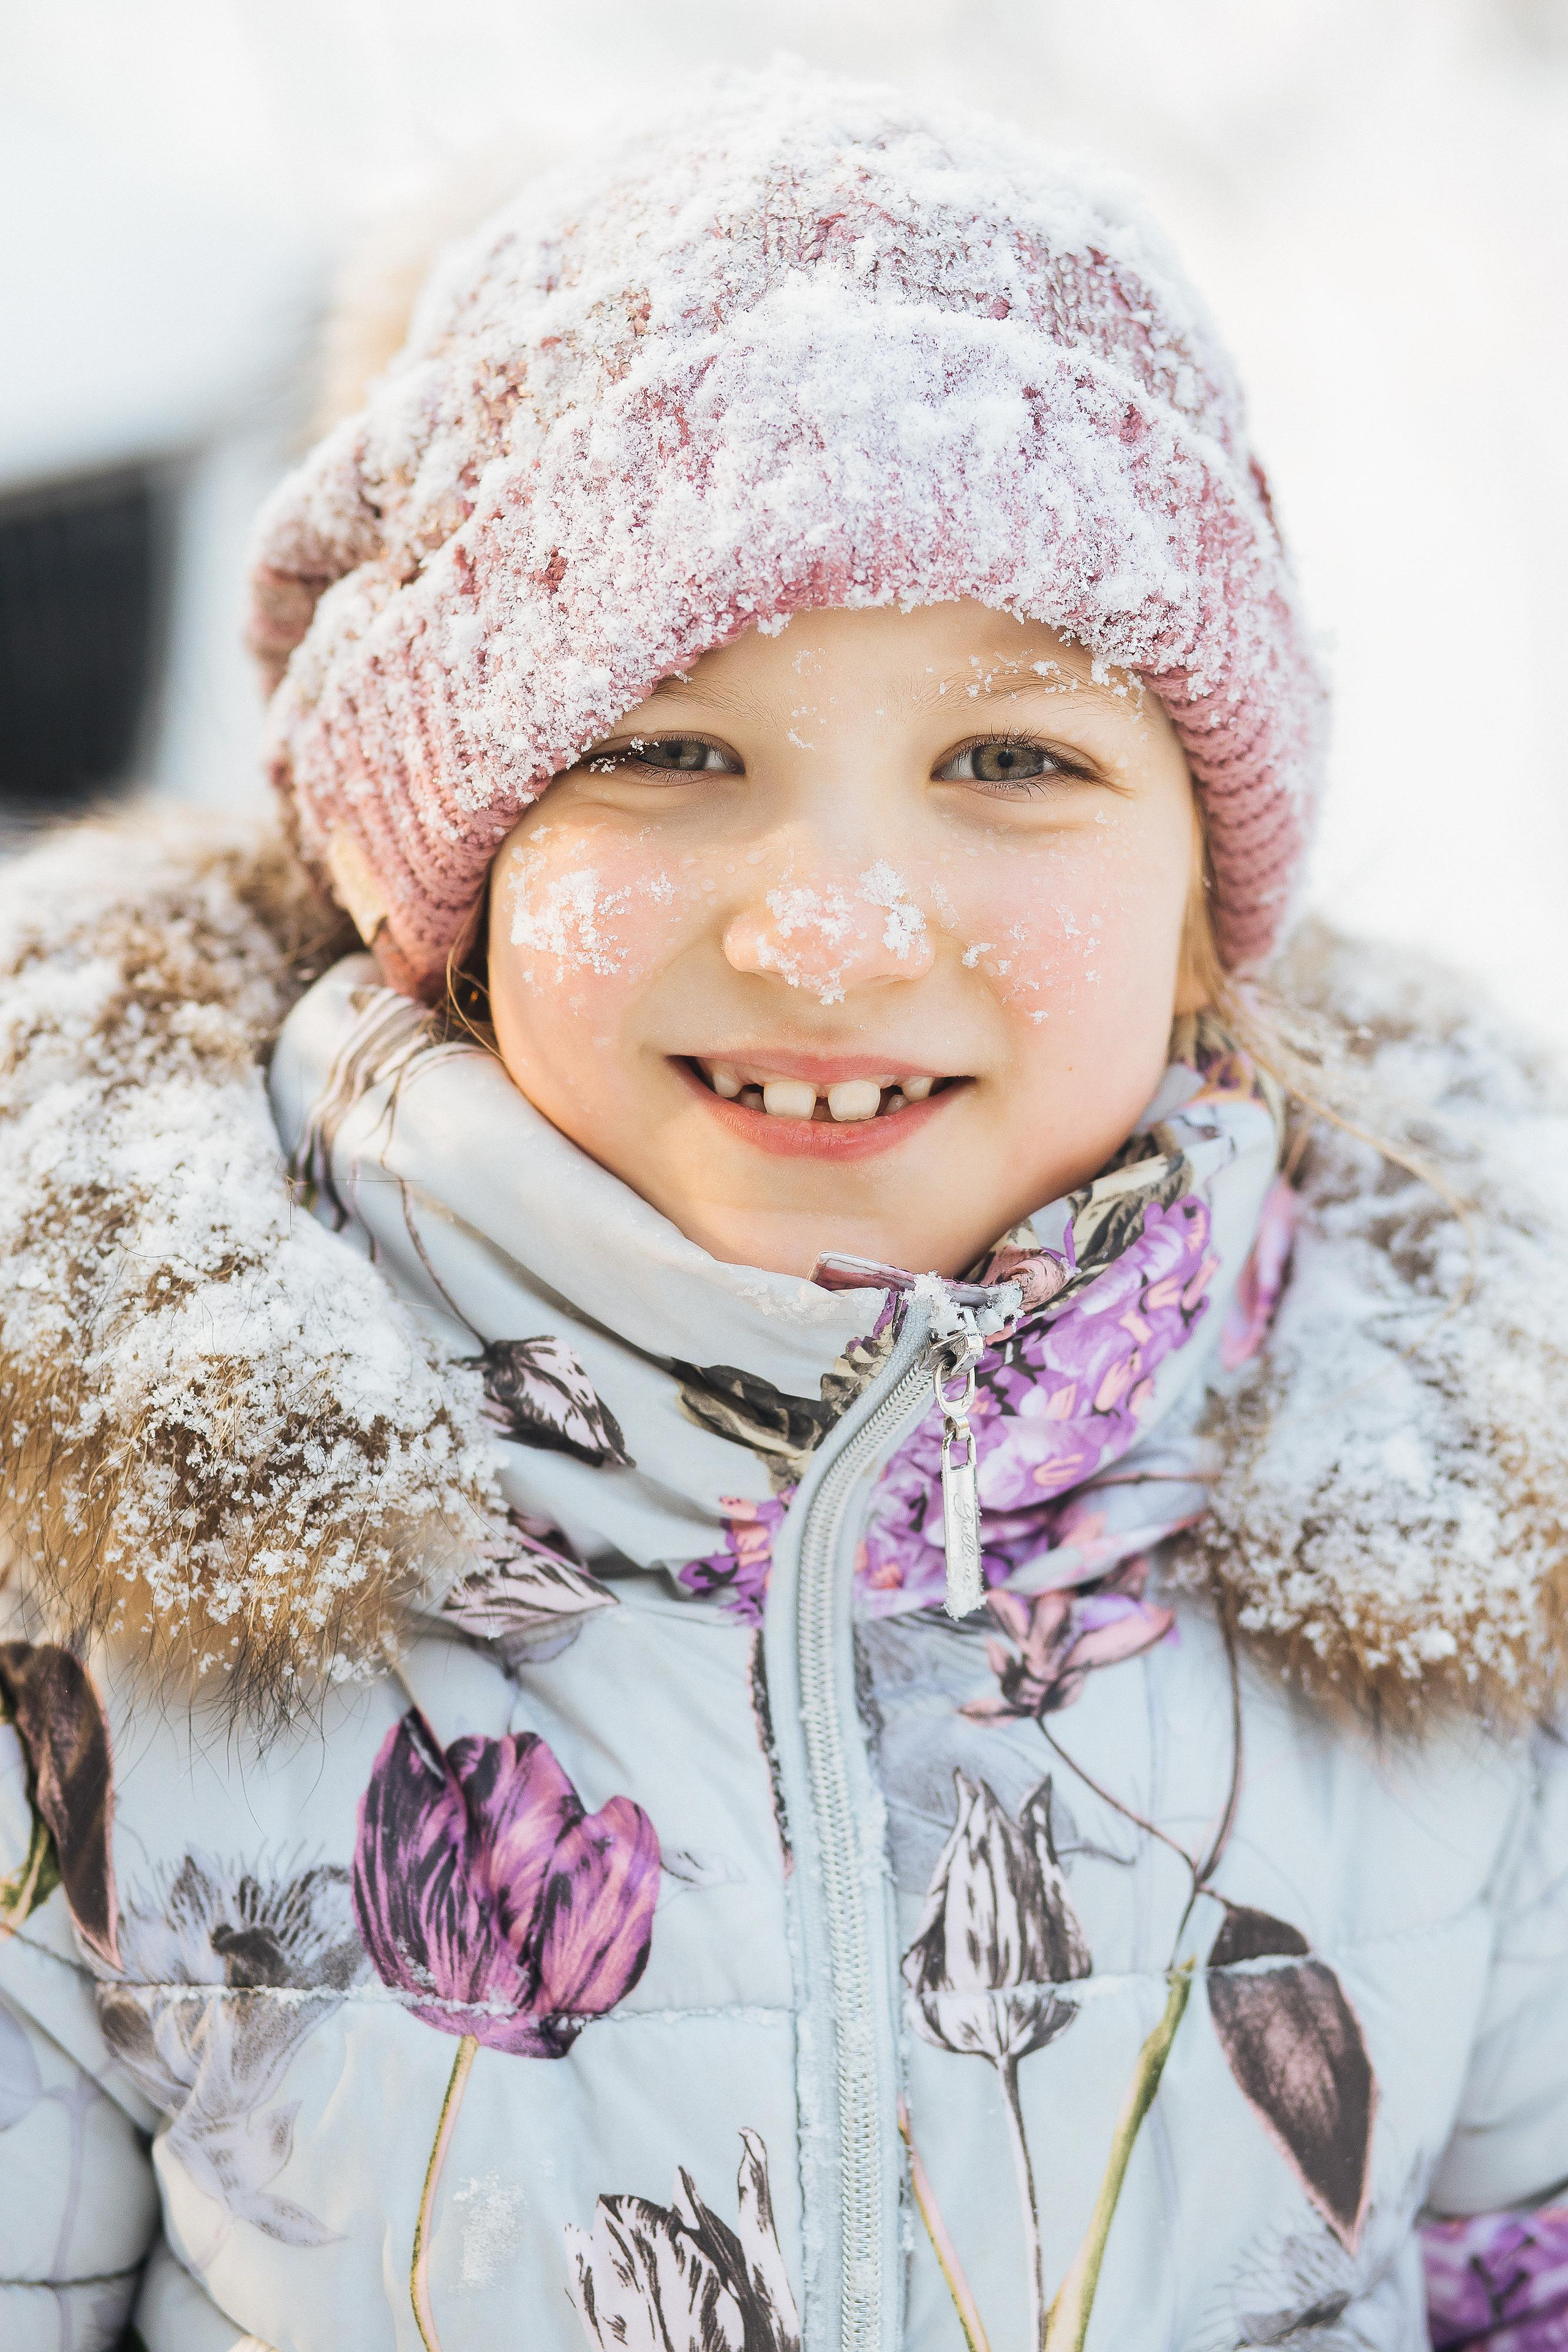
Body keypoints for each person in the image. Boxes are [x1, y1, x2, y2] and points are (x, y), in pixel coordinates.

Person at [1, 66, 1566, 2352]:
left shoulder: (1457, 1581)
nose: (834, 923)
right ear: (442, 889)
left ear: (1212, 903)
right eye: (668, 752)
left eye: (1013, 761)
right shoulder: (107, 1617)